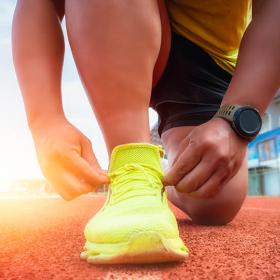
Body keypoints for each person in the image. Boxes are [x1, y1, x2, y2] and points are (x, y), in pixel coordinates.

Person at [12, 0, 280, 264]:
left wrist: (234, 122)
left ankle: (159, 170)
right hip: (113, 18)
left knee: (216, 202)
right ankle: (135, 167)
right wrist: (45, 122)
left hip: (209, 54)